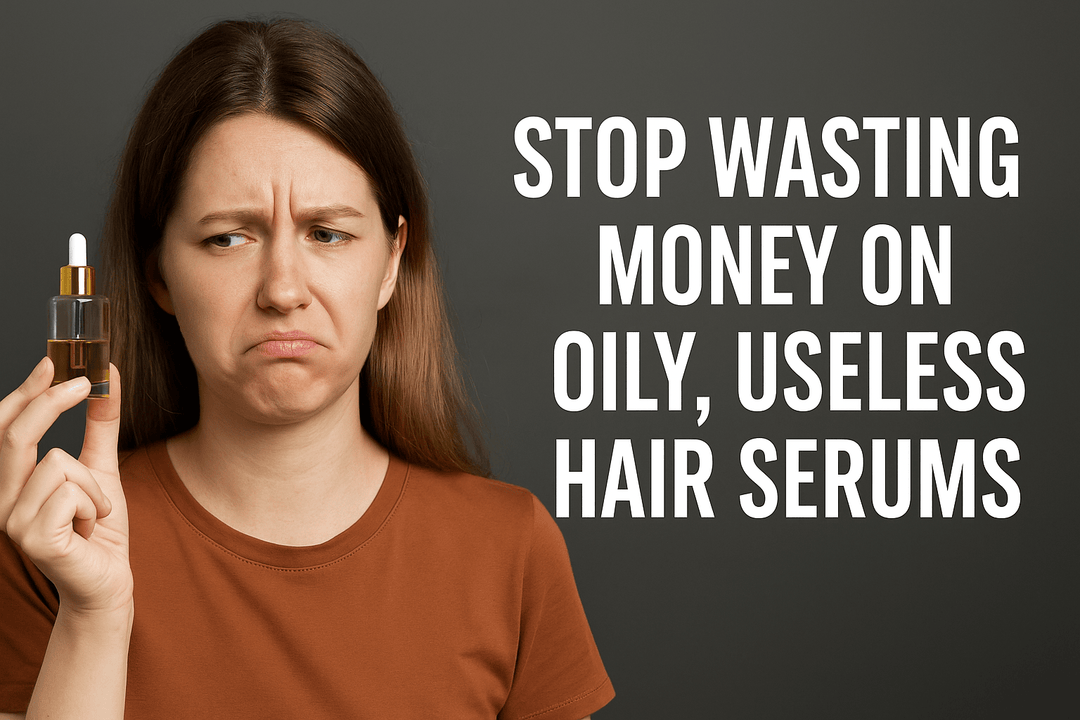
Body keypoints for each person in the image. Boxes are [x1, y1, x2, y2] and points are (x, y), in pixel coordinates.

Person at [0, 18, 613, 719]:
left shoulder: (512, 550)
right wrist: (95, 616)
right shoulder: (49, 545)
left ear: (391, 262)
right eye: (227, 237)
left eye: (328, 234)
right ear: (159, 275)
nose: (283, 289)